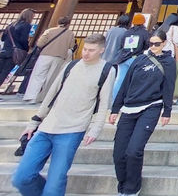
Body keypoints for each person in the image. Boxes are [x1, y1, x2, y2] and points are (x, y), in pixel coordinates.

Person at [12, 33, 115, 196]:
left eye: (92, 50)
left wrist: (95, 128)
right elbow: (51, 94)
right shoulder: (71, 66)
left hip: (73, 129)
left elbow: (104, 104)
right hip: (47, 127)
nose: (86, 53)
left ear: (102, 50)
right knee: (21, 178)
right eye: (85, 49)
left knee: (54, 185)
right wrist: (35, 121)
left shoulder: (107, 70)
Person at [109, 30, 176, 196]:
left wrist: (167, 110)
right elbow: (125, 84)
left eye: (157, 44)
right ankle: (123, 185)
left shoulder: (168, 62)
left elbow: (169, 86)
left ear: (164, 43)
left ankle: (132, 188)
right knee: (119, 153)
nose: (153, 47)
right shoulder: (139, 60)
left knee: (134, 150)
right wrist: (115, 108)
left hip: (151, 106)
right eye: (151, 43)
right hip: (129, 107)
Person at [23, 16, 75, 104]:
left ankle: (31, 96)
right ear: (68, 24)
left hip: (45, 55)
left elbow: (40, 43)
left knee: (38, 75)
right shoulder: (70, 33)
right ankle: (43, 97)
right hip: (59, 57)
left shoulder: (49, 31)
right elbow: (71, 46)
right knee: (51, 77)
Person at [112, 13, 150, 100]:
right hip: (135, 58)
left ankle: (115, 99)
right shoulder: (144, 33)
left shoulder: (127, 32)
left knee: (120, 79)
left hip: (123, 58)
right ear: (143, 22)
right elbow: (147, 45)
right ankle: (131, 97)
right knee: (135, 79)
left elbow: (122, 45)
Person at [0, 8, 35, 87]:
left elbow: (3, 38)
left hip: (4, 50)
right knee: (4, 72)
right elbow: (23, 40)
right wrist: (27, 49)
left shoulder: (11, 24)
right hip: (14, 53)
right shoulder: (26, 25)